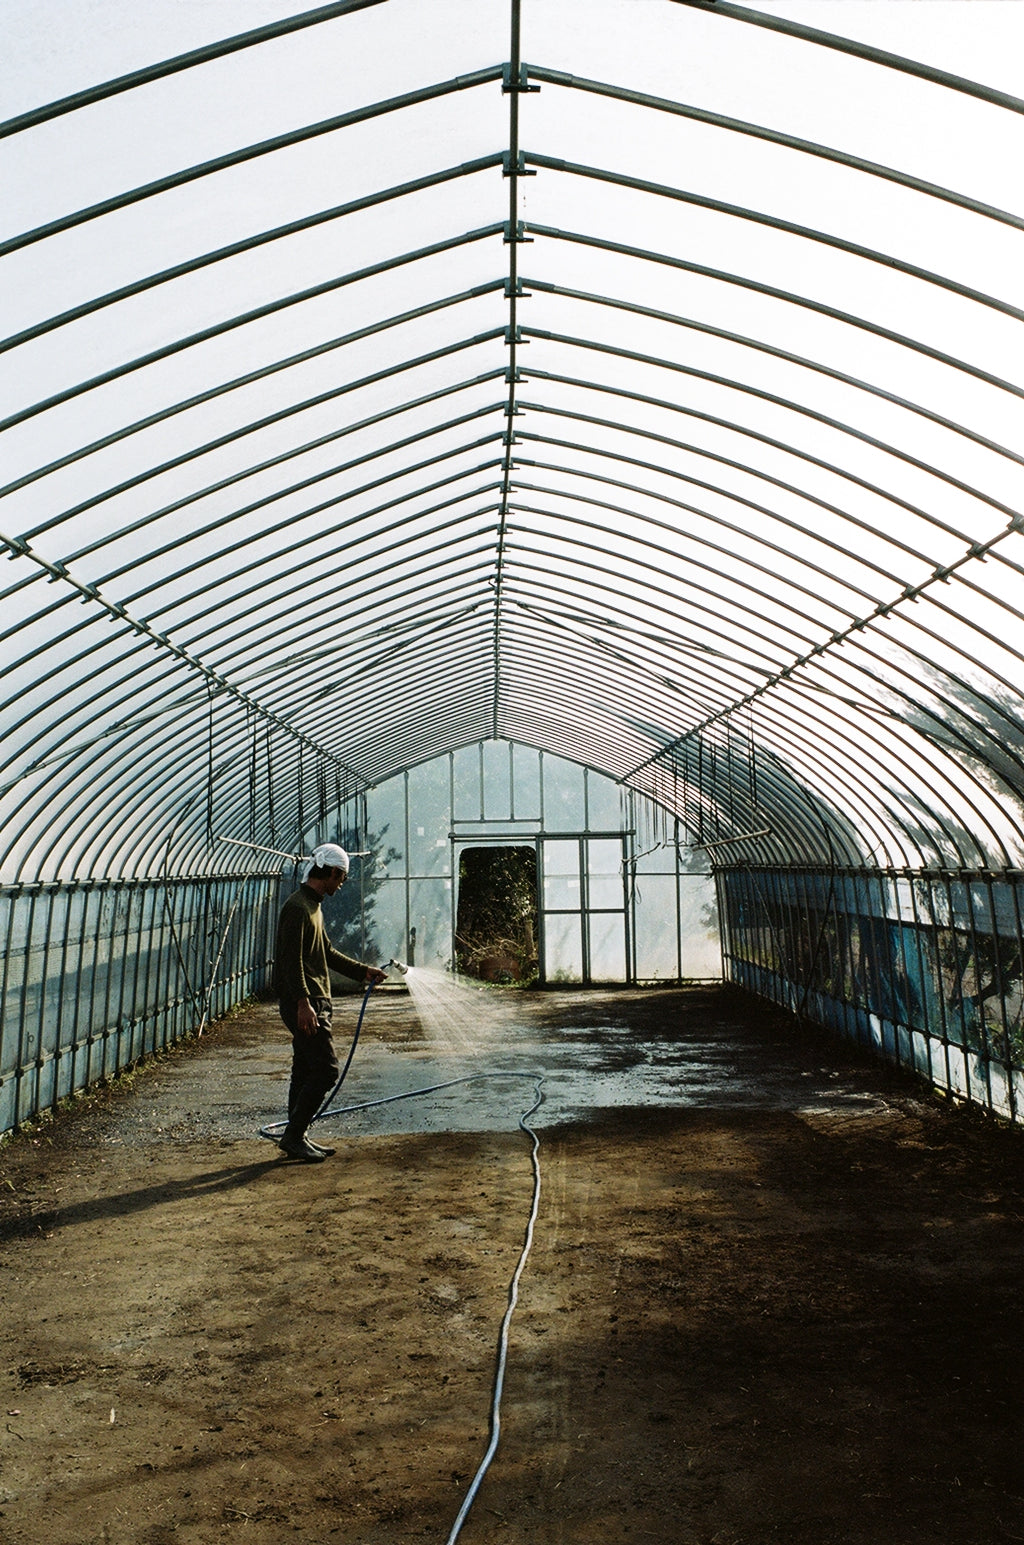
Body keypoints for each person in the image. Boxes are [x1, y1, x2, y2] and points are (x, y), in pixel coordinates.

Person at [273, 842, 386, 1162]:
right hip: (307, 1003)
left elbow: (325, 953)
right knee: (326, 1070)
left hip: (315, 1000)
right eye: (342, 877)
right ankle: (294, 1135)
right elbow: (290, 961)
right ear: (333, 872)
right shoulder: (297, 908)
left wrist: (363, 972)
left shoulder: (313, 905)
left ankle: (297, 1135)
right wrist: (302, 1004)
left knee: (305, 1069)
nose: (342, 883)